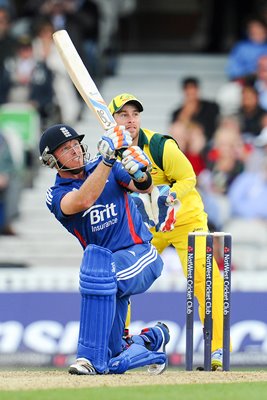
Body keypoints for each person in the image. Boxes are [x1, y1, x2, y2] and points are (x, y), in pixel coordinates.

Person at [108, 93, 228, 370]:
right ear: (113, 119)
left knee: (205, 278)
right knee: (123, 279)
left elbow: (189, 177)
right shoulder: (111, 152)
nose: (130, 120)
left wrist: (168, 195)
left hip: (186, 220)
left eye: (134, 114)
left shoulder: (160, 145)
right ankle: (120, 344)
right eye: (124, 115)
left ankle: (218, 349)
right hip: (149, 227)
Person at [39, 123, 170, 375]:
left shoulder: (106, 166)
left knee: (100, 271)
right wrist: (108, 160)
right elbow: (82, 200)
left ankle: (87, 358)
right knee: (114, 357)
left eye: (76, 144)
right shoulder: (55, 194)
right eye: (65, 148)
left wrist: (139, 171)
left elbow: (143, 187)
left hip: (140, 254)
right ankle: (152, 341)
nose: (75, 150)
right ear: (50, 160)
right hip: (107, 274)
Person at [170, 76, 220, 142]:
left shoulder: (210, 107)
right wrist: (186, 112)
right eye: (188, 90)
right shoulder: (177, 112)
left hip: (204, 141)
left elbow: (211, 127)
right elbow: (174, 130)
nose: (191, 93)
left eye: (193, 89)